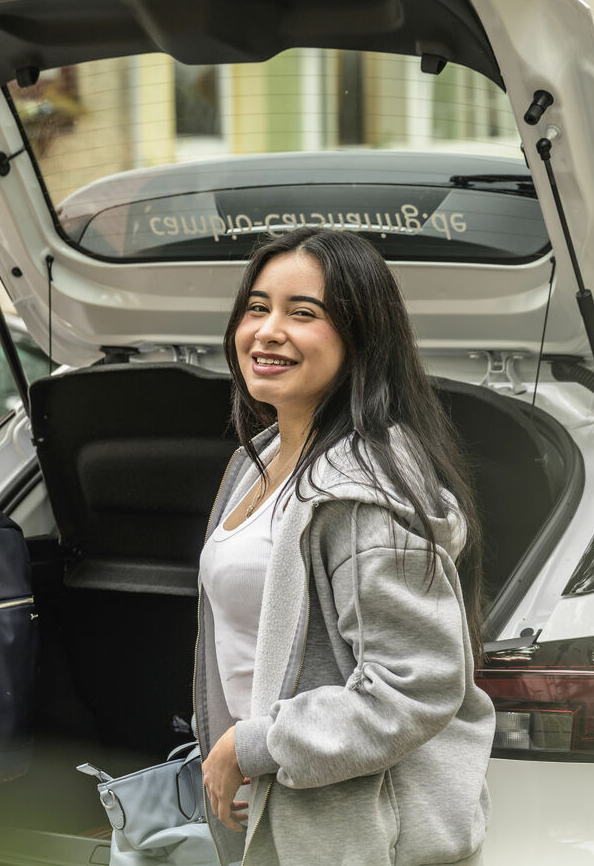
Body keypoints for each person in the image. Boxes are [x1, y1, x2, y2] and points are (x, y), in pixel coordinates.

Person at [193, 227, 494, 865]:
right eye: (257, 307)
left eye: (303, 313)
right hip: (275, 815)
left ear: (361, 339)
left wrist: (251, 746)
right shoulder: (260, 461)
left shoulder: (361, 494)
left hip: (352, 838)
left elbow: (414, 686)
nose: (267, 330)